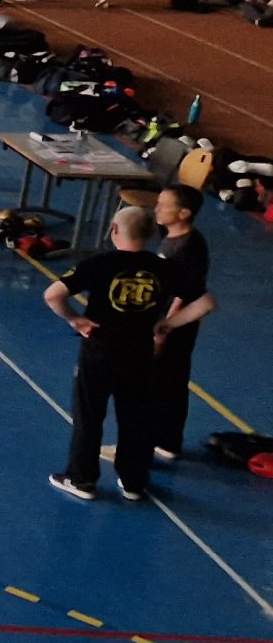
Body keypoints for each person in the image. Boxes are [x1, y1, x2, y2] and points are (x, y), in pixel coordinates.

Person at [46, 206, 210, 503]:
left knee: (89, 415)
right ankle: (134, 481)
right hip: (140, 352)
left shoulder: (99, 264)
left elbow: (53, 295)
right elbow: (206, 303)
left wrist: (75, 319)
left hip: (100, 350)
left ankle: (82, 478)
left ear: (114, 230)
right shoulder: (163, 267)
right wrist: (168, 324)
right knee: (135, 417)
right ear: (149, 233)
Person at [147, 184, 216, 461]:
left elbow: (185, 293)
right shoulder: (171, 237)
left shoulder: (189, 246)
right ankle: (164, 439)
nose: (157, 209)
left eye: (164, 205)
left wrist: (165, 327)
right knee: (167, 381)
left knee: (168, 381)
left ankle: (164, 440)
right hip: (165, 320)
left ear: (184, 213)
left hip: (175, 324)